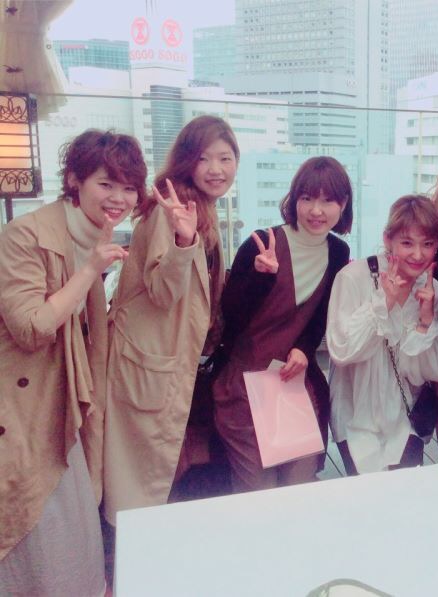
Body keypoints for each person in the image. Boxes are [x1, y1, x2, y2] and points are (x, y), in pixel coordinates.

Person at [0, 130, 147, 595]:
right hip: (24, 407)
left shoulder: (93, 235)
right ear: (73, 180)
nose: (119, 197)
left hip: (68, 399)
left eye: (129, 187)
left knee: (74, 529)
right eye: (106, 184)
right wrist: (89, 271)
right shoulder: (25, 234)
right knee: (38, 522)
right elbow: (30, 328)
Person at [103, 115, 238, 523]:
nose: (216, 169)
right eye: (204, 158)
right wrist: (184, 240)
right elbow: (163, 292)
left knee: (155, 473)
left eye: (225, 158)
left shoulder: (202, 206)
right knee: (140, 482)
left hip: (168, 356)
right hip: (149, 361)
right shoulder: (170, 208)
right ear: (186, 161)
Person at [212, 156, 351, 492]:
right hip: (244, 384)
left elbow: (321, 314)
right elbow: (230, 316)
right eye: (307, 198)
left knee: (299, 488)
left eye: (328, 200)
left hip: (291, 385)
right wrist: (260, 278)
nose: (316, 210)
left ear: (343, 204)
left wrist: (304, 348)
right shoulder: (262, 243)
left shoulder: (337, 251)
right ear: (294, 199)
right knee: (256, 492)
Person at [328, 195, 438, 474]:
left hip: (405, 421)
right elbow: (342, 352)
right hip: (354, 417)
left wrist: (425, 324)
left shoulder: (435, 294)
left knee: (403, 497)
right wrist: (383, 304)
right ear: (387, 239)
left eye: (427, 244)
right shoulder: (353, 277)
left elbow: (432, 372)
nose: (417, 254)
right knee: (364, 497)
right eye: (407, 243)